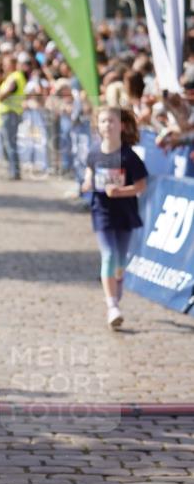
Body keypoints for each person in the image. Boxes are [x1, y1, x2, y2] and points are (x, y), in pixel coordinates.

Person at [81, 107, 148, 329]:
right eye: (103, 121)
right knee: (108, 255)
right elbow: (89, 171)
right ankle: (111, 305)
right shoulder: (94, 152)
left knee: (120, 261)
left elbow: (141, 186)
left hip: (125, 212)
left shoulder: (129, 157)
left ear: (122, 126)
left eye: (112, 121)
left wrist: (121, 191)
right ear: (97, 126)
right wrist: (87, 182)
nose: (107, 125)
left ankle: (116, 294)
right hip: (102, 211)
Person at [0, 52, 26, 180]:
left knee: (10, 145)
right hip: (7, 114)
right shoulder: (12, 77)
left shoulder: (15, 77)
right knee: (6, 145)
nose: (3, 67)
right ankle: (11, 171)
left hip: (11, 114)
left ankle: (14, 172)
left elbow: (5, 93)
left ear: (12, 65)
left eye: (5, 64)